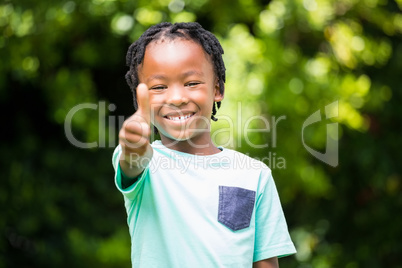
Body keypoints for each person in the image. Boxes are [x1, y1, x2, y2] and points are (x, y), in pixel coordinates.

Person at [112, 22, 296, 267]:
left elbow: (264, 263)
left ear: (217, 88)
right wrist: (135, 147)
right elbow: (133, 162)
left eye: (191, 83)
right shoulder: (146, 167)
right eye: (159, 87)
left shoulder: (255, 175)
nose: (177, 98)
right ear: (139, 98)